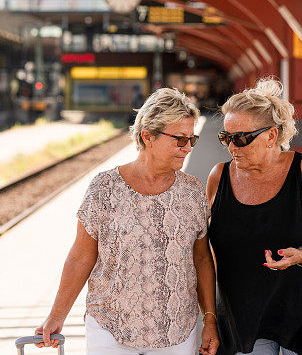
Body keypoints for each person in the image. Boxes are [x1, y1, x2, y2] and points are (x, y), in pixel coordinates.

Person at [36, 87, 220, 355]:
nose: (188, 148)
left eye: (192, 139)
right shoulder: (104, 188)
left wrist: (210, 321)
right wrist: (56, 316)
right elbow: (81, 256)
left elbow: (202, 259)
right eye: (180, 140)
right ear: (148, 136)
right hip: (110, 329)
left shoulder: (192, 192)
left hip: (177, 332)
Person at [206, 78, 302, 355]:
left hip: (301, 310)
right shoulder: (218, 177)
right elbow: (202, 250)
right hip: (241, 312)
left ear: (271, 135)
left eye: (242, 138)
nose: (232, 147)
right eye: (226, 138)